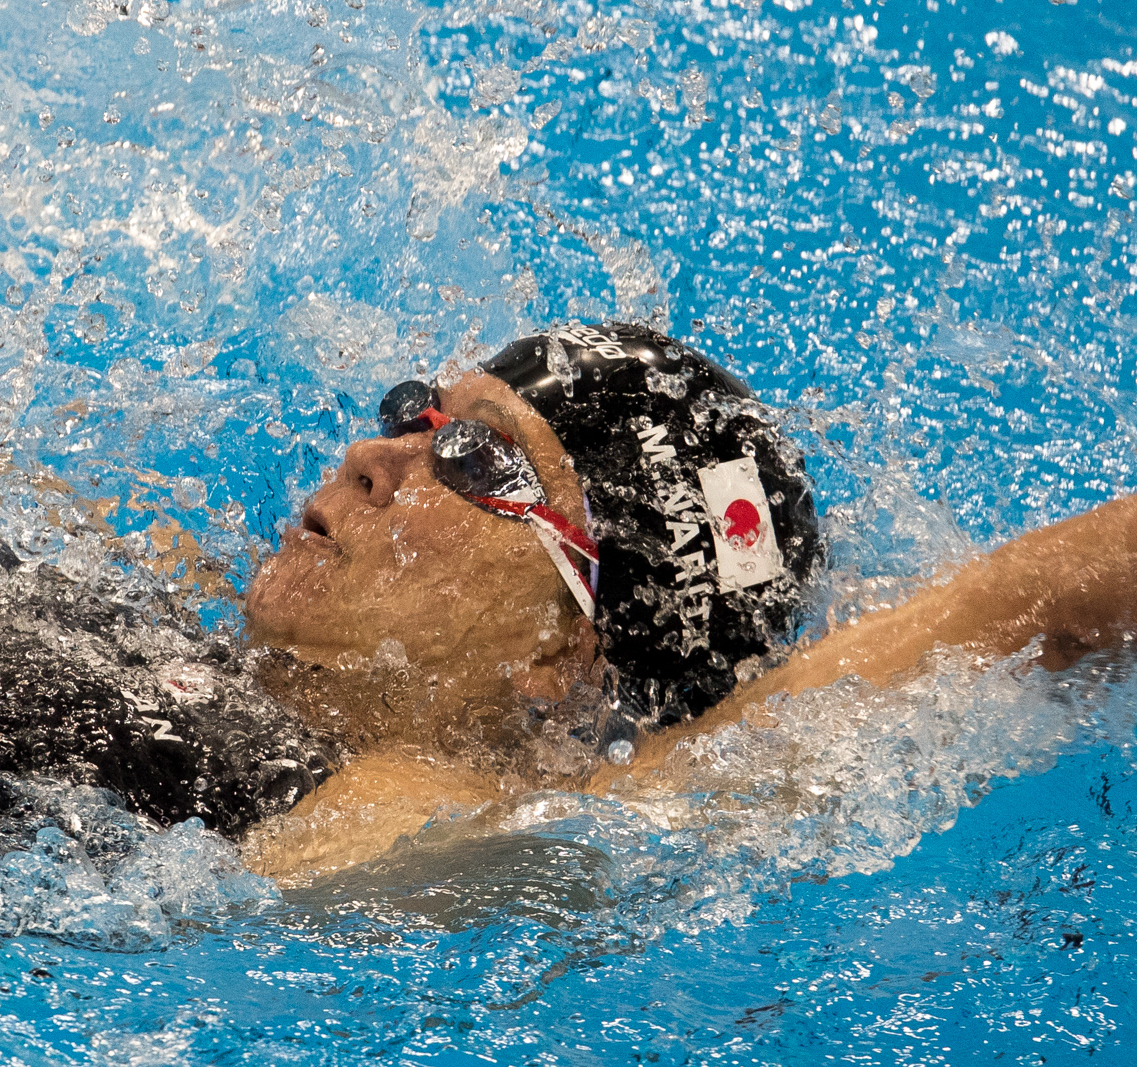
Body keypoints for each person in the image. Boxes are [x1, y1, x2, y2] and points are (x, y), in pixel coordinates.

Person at [241, 321, 1137, 880]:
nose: (371, 454)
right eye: (419, 417)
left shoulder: (416, 818)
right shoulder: (163, 583)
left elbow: (1027, 607)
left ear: (561, 652)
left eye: (478, 460)